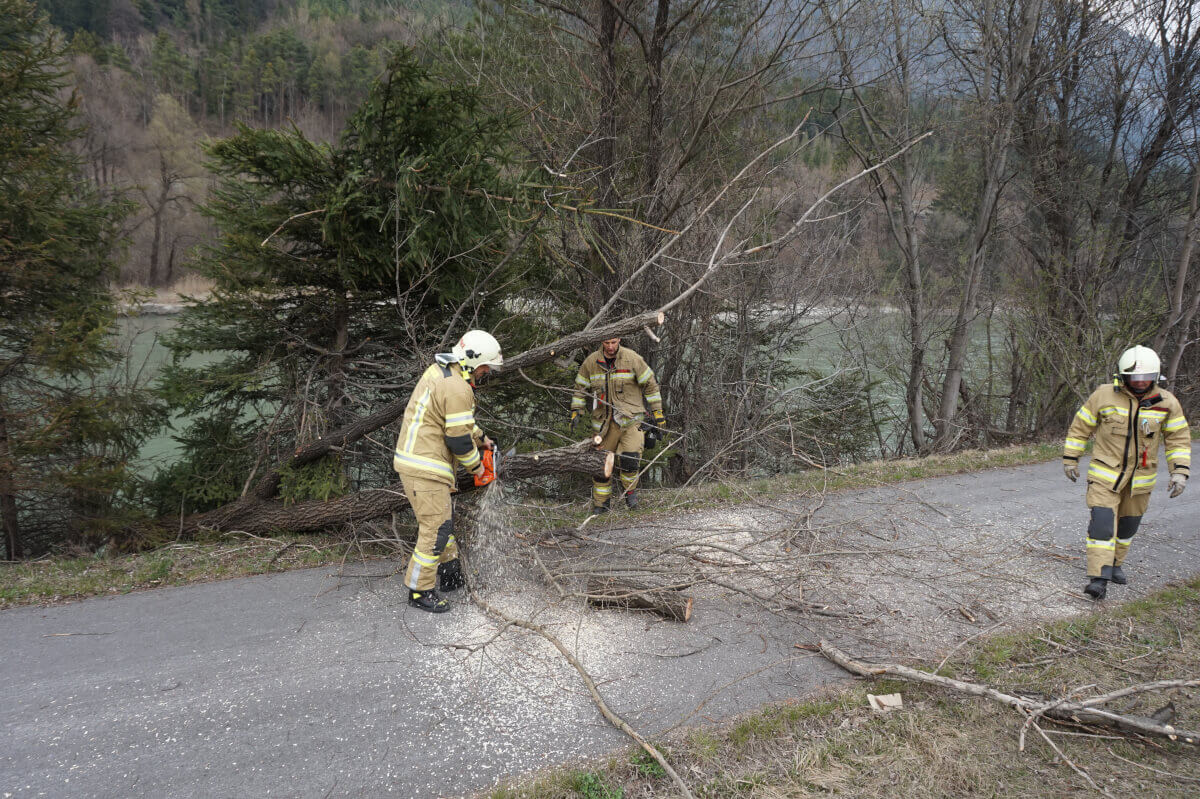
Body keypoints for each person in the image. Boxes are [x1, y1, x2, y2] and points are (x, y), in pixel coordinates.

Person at [1062, 345, 1190, 599]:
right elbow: (1080, 427)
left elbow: (1178, 439)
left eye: (1146, 377)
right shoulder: (1103, 395)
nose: (1140, 382)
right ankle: (1099, 578)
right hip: (1104, 476)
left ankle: (1115, 564)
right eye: (1134, 377)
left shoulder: (1166, 402)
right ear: (1122, 376)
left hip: (1141, 480)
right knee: (1102, 525)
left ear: (1155, 377)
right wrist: (1070, 458)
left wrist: (1179, 472)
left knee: (1127, 527)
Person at [393, 330, 502, 613]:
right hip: (424, 466)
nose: (486, 372)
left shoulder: (444, 373)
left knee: (443, 523)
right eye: (485, 366)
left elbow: (458, 421)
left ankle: (450, 572)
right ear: (473, 359)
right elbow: (458, 440)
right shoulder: (456, 387)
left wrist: (483, 439)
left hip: (421, 462)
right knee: (436, 529)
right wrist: (479, 468)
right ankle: (419, 590)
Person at [570, 337, 664, 512]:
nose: (611, 346)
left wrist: (658, 413)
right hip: (604, 425)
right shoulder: (591, 362)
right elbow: (579, 388)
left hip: (632, 421)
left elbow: (651, 385)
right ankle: (601, 504)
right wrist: (576, 411)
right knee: (601, 466)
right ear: (602, 342)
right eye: (607, 343)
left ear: (619, 339)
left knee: (630, 459)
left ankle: (630, 495)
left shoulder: (632, 358)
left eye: (613, 342)